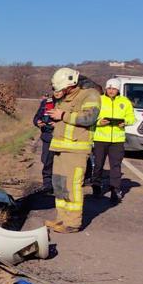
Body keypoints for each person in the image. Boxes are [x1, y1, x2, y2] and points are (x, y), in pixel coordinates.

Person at [44, 67, 101, 233]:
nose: (59, 92)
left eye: (62, 88)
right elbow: (66, 117)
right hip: (61, 148)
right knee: (60, 185)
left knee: (73, 185)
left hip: (76, 150)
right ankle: (62, 219)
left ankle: (73, 223)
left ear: (71, 84)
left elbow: (89, 117)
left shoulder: (90, 94)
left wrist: (63, 116)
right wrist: (58, 122)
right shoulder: (68, 96)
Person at [91, 78, 135, 203]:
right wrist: (99, 122)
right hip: (100, 138)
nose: (111, 91)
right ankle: (96, 185)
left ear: (118, 89)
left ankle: (115, 189)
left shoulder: (125, 101)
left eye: (114, 89)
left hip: (117, 139)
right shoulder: (99, 100)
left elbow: (131, 117)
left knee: (115, 165)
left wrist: (125, 122)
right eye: (109, 88)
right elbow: (92, 117)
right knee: (98, 164)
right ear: (106, 88)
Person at [32, 91, 62, 192]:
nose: (57, 93)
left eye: (60, 91)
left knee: (60, 162)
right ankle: (48, 185)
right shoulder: (46, 102)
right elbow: (36, 117)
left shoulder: (67, 103)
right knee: (46, 161)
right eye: (55, 90)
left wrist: (59, 125)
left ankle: (59, 184)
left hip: (62, 138)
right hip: (47, 136)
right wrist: (38, 122)